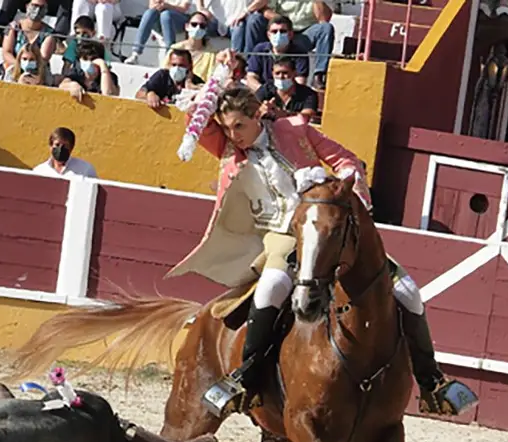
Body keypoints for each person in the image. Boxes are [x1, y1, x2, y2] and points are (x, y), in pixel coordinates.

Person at [166, 49, 474, 417]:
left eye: (240, 127)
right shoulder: (228, 148)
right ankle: (245, 379)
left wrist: (349, 195)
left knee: (407, 289)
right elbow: (194, 118)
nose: (234, 136)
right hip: (277, 233)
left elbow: (347, 161)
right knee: (271, 287)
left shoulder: (293, 129)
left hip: (325, 227)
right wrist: (220, 74)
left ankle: (431, 381)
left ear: (258, 115)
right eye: (228, 128)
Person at [33, 127, 98, 178]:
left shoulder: (85, 169)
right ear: (51, 145)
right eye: (57, 145)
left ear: (71, 148)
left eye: (65, 146)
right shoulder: (39, 171)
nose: (60, 149)